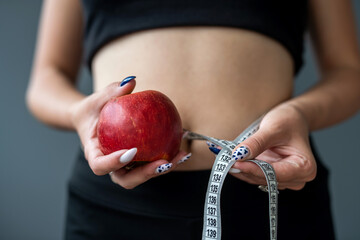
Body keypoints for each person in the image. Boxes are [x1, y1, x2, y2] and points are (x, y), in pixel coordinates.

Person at [26, 0, 360, 239]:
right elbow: (44, 81)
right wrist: (78, 115)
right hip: (114, 203)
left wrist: (298, 113)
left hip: (269, 183)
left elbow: (349, 73)